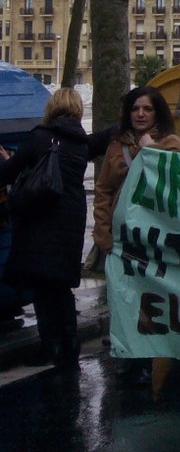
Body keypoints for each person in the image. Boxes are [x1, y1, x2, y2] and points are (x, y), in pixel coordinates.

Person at [0, 88, 91, 370]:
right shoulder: (81, 142)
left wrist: (5, 158)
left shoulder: (40, 136)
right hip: (72, 218)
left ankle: (48, 346)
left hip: (41, 218)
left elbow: (9, 173)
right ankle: (70, 345)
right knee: (61, 287)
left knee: (42, 287)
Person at [91, 87, 180, 264]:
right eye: (134, 109)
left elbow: (175, 180)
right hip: (121, 236)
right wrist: (103, 232)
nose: (140, 114)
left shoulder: (171, 142)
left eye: (147, 109)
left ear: (158, 113)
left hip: (158, 237)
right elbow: (103, 190)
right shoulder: (116, 146)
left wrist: (152, 149)